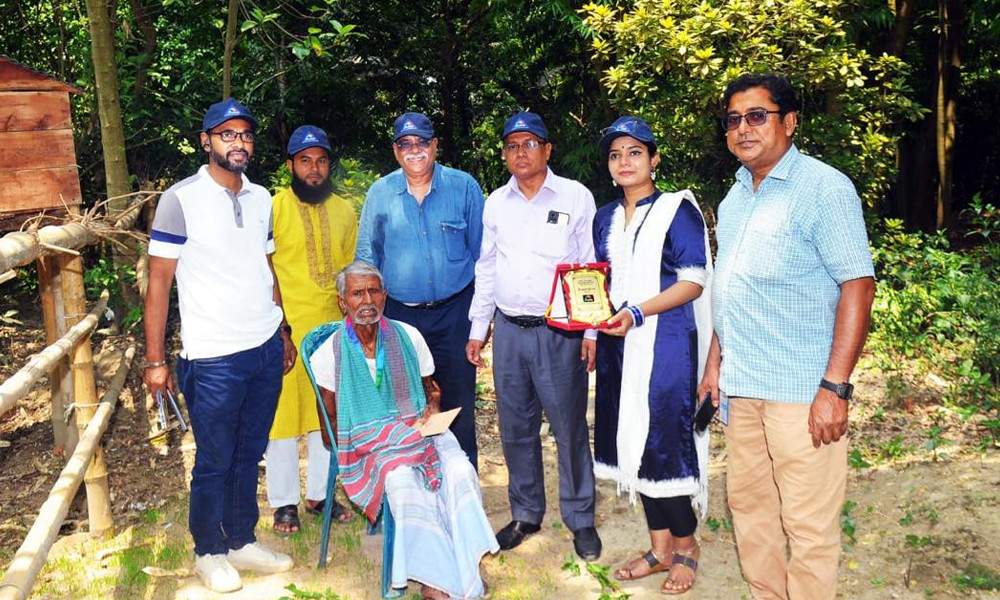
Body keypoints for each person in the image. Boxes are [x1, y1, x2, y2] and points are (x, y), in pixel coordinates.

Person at [698, 74, 875, 600]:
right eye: (734, 119)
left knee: (809, 526)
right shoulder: (734, 198)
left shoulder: (825, 188)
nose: (743, 128)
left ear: (790, 121)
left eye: (758, 115)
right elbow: (730, 291)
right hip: (743, 386)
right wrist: (714, 364)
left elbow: (858, 286)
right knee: (750, 511)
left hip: (802, 392)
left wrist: (835, 387)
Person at [143, 98, 296, 593]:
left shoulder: (261, 198)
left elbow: (266, 269)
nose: (239, 143)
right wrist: (155, 361)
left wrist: (284, 330)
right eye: (227, 134)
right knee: (214, 457)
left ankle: (240, 540)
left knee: (250, 450)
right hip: (212, 357)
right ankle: (209, 549)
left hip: (263, 347)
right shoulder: (180, 199)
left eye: (246, 135)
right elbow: (159, 284)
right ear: (206, 141)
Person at [310, 261, 498, 600]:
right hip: (368, 447)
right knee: (402, 482)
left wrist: (431, 413)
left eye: (373, 291)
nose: (366, 300)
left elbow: (431, 393)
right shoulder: (329, 354)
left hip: (420, 432)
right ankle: (435, 580)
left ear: (384, 296)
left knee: (459, 470)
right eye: (357, 293)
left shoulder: (409, 337)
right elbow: (329, 433)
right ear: (343, 301)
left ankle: (467, 559)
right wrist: (385, 437)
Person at [466, 112, 601, 560]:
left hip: (558, 333)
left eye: (529, 143)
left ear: (547, 150)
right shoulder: (496, 203)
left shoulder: (575, 197)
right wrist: (478, 328)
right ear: (504, 154)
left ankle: (580, 517)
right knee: (516, 428)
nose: (520, 152)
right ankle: (526, 512)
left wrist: (592, 332)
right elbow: (486, 267)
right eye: (512, 145)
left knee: (568, 429)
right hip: (508, 331)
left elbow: (587, 267)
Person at [591, 116, 712, 595]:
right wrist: (584, 320)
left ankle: (688, 546)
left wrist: (637, 313)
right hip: (617, 346)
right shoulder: (604, 216)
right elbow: (597, 281)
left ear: (654, 159)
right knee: (630, 444)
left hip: (665, 345)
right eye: (616, 154)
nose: (625, 162)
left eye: (635, 153)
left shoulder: (676, 211)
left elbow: (693, 280)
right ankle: (660, 547)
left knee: (662, 443)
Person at [356, 112, 484, 470]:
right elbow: (366, 258)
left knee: (457, 402)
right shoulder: (380, 194)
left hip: (456, 313)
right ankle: (413, 486)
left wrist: (482, 319)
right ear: (396, 151)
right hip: (400, 315)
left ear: (435, 146)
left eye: (421, 142)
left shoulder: (464, 187)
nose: (414, 150)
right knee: (405, 402)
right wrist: (367, 319)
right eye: (405, 144)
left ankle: (463, 485)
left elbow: (484, 256)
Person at [266, 125, 358, 533]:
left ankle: (320, 494)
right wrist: (278, 327)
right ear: (291, 165)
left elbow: (353, 270)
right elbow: (263, 269)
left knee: (328, 411)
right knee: (283, 417)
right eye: (305, 161)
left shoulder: (345, 210)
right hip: (286, 327)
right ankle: (283, 502)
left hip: (334, 328)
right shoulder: (272, 209)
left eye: (321, 161)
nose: (314, 169)